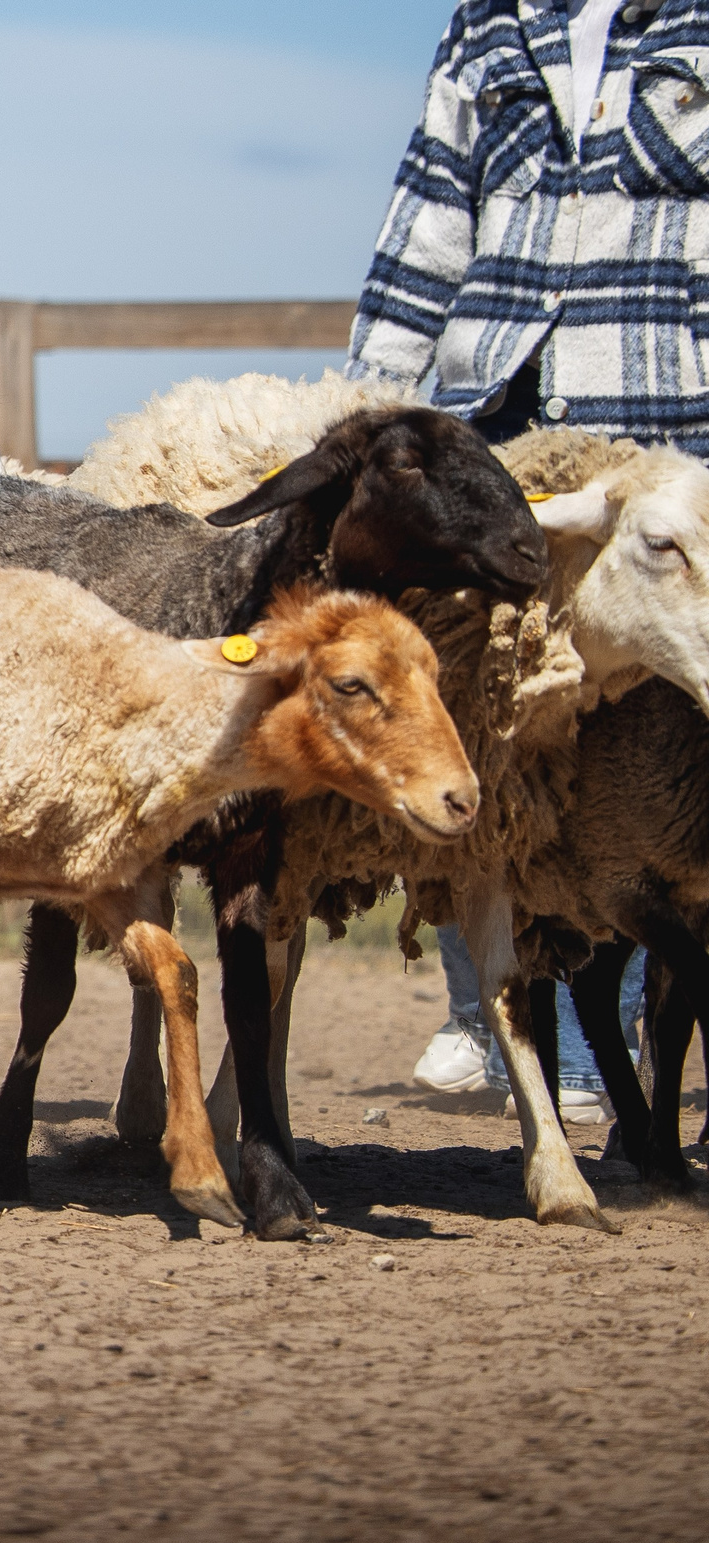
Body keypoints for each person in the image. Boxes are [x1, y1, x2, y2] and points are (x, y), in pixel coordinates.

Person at [347, 0, 707, 1120]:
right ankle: (499, 1021)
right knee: (487, 727)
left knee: (664, 745)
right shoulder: (489, 24)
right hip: (495, 433)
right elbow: (424, 233)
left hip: (661, 423)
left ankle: (652, 1041)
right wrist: (368, 417)